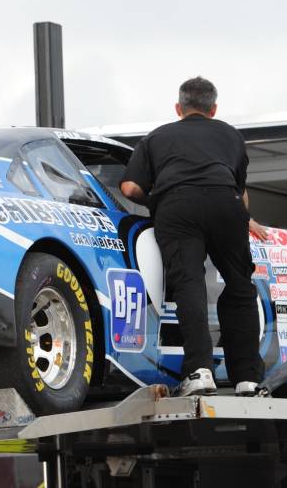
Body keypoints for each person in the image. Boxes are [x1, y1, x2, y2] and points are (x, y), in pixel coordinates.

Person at [120, 76, 267, 397]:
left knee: (189, 284)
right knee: (240, 286)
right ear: (213, 109)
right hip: (226, 206)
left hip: (178, 207)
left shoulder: (157, 137)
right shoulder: (231, 135)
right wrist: (246, 219)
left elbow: (130, 188)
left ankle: (200, 372)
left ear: (178, 107)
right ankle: (248, 378)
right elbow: (239, 191)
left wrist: (158, 200)